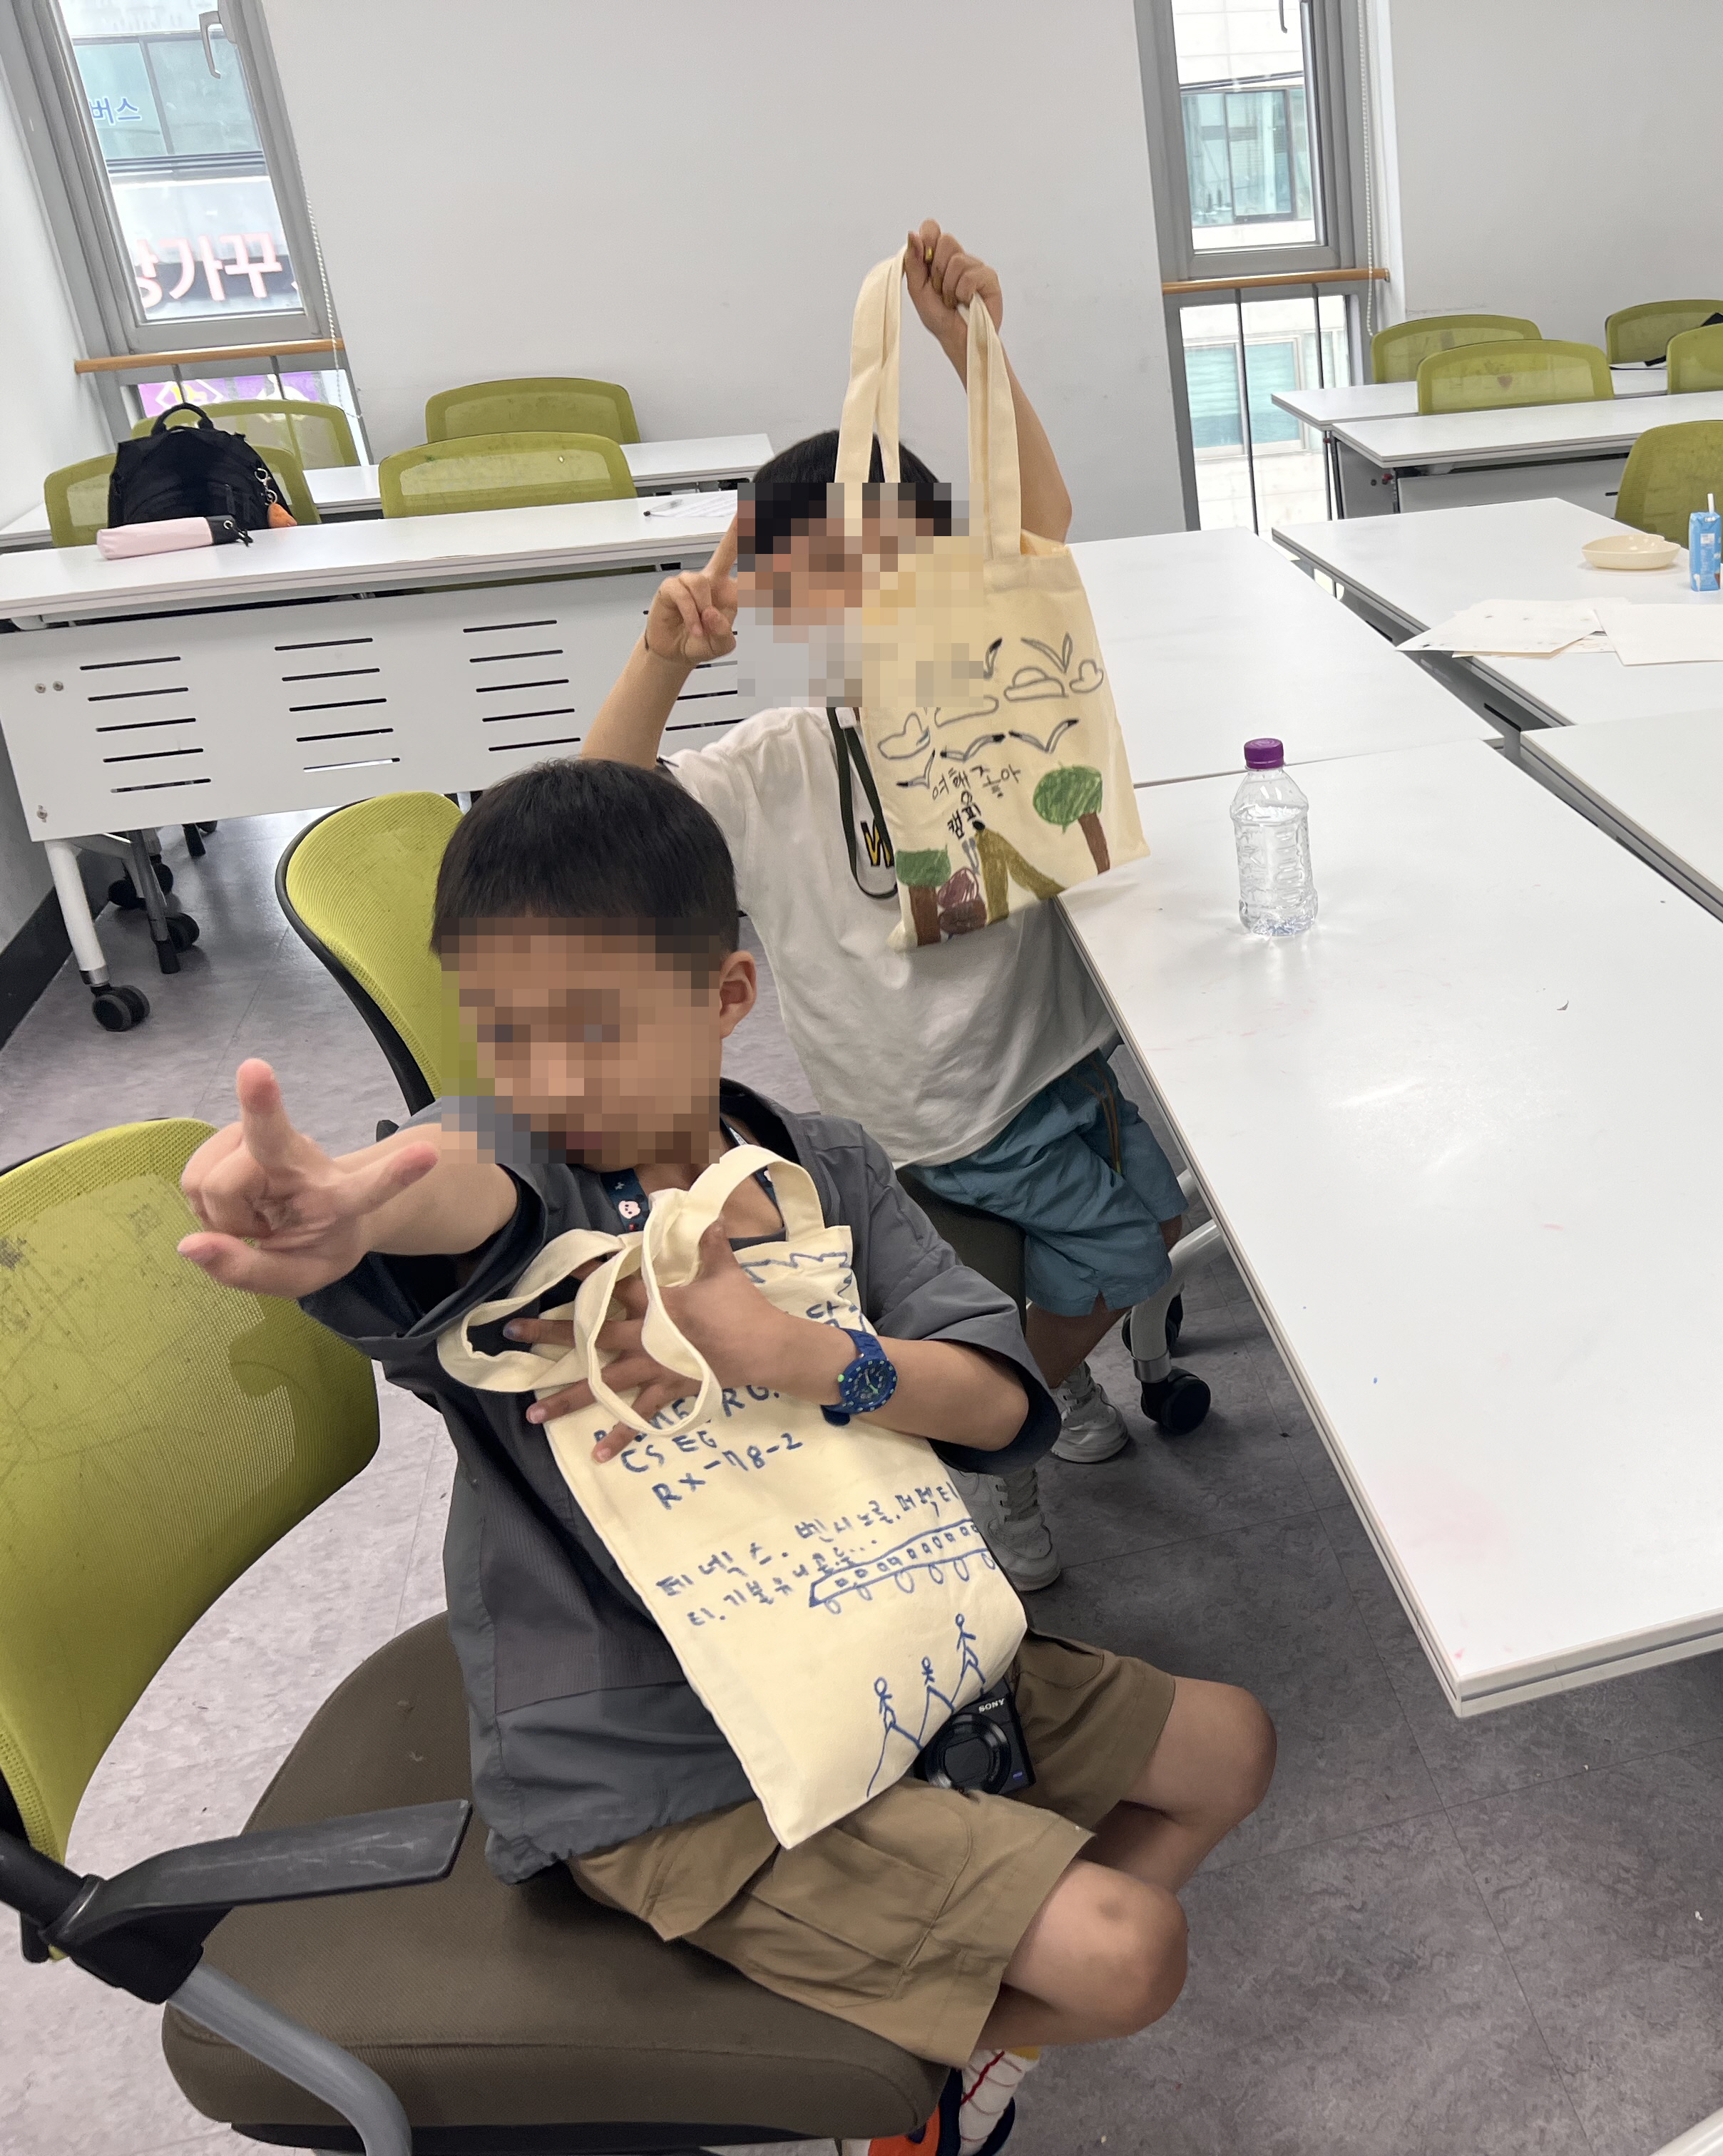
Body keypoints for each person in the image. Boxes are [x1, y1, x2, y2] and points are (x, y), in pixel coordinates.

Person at [176, 759, 1274, 2156]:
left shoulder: (824, 1167)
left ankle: (951, 2021)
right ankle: (919, 2073)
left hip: (874, 1638)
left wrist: (796, 1352)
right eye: (501, 1033)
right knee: (1128, 1949)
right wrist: (344, 1207)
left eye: (596, 1027)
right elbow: (452, 1185)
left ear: (726, 997)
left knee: (1230, 1742)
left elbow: (1000, 1406)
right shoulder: (523, 1171)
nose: (548, 1078)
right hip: (664, 1756)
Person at [583, 223, 1178, 1592]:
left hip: (1053, 1060)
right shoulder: (774, 766)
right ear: (784, 604)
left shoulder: (986, 687)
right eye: (829, 582)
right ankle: (993, 1438)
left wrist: (974, 348)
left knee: (1143, 1228)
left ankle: (1031, 1385)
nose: (875, 604)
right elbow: (604, 813)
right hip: (926, 1112)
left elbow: (1038, 520)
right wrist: (665, 654)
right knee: (1093, 1260)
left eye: (902, 565)